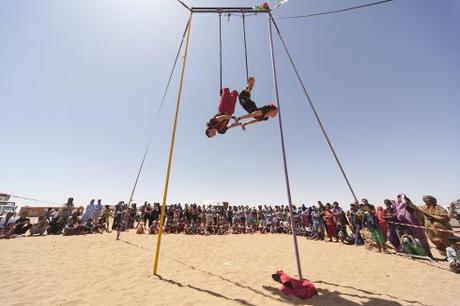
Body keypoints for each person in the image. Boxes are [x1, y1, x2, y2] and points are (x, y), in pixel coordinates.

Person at [395, 193, 432, 258]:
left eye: (401, 197)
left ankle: (429, 255)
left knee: (423, 242)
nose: (400, 199)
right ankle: (419, 255)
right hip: (409, 229)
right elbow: (399, 217)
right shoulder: (399, 209)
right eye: (398, 197)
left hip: (417, 228)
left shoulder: (409, 207)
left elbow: (410, 205)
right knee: (413, 242)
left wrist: (404, 198)